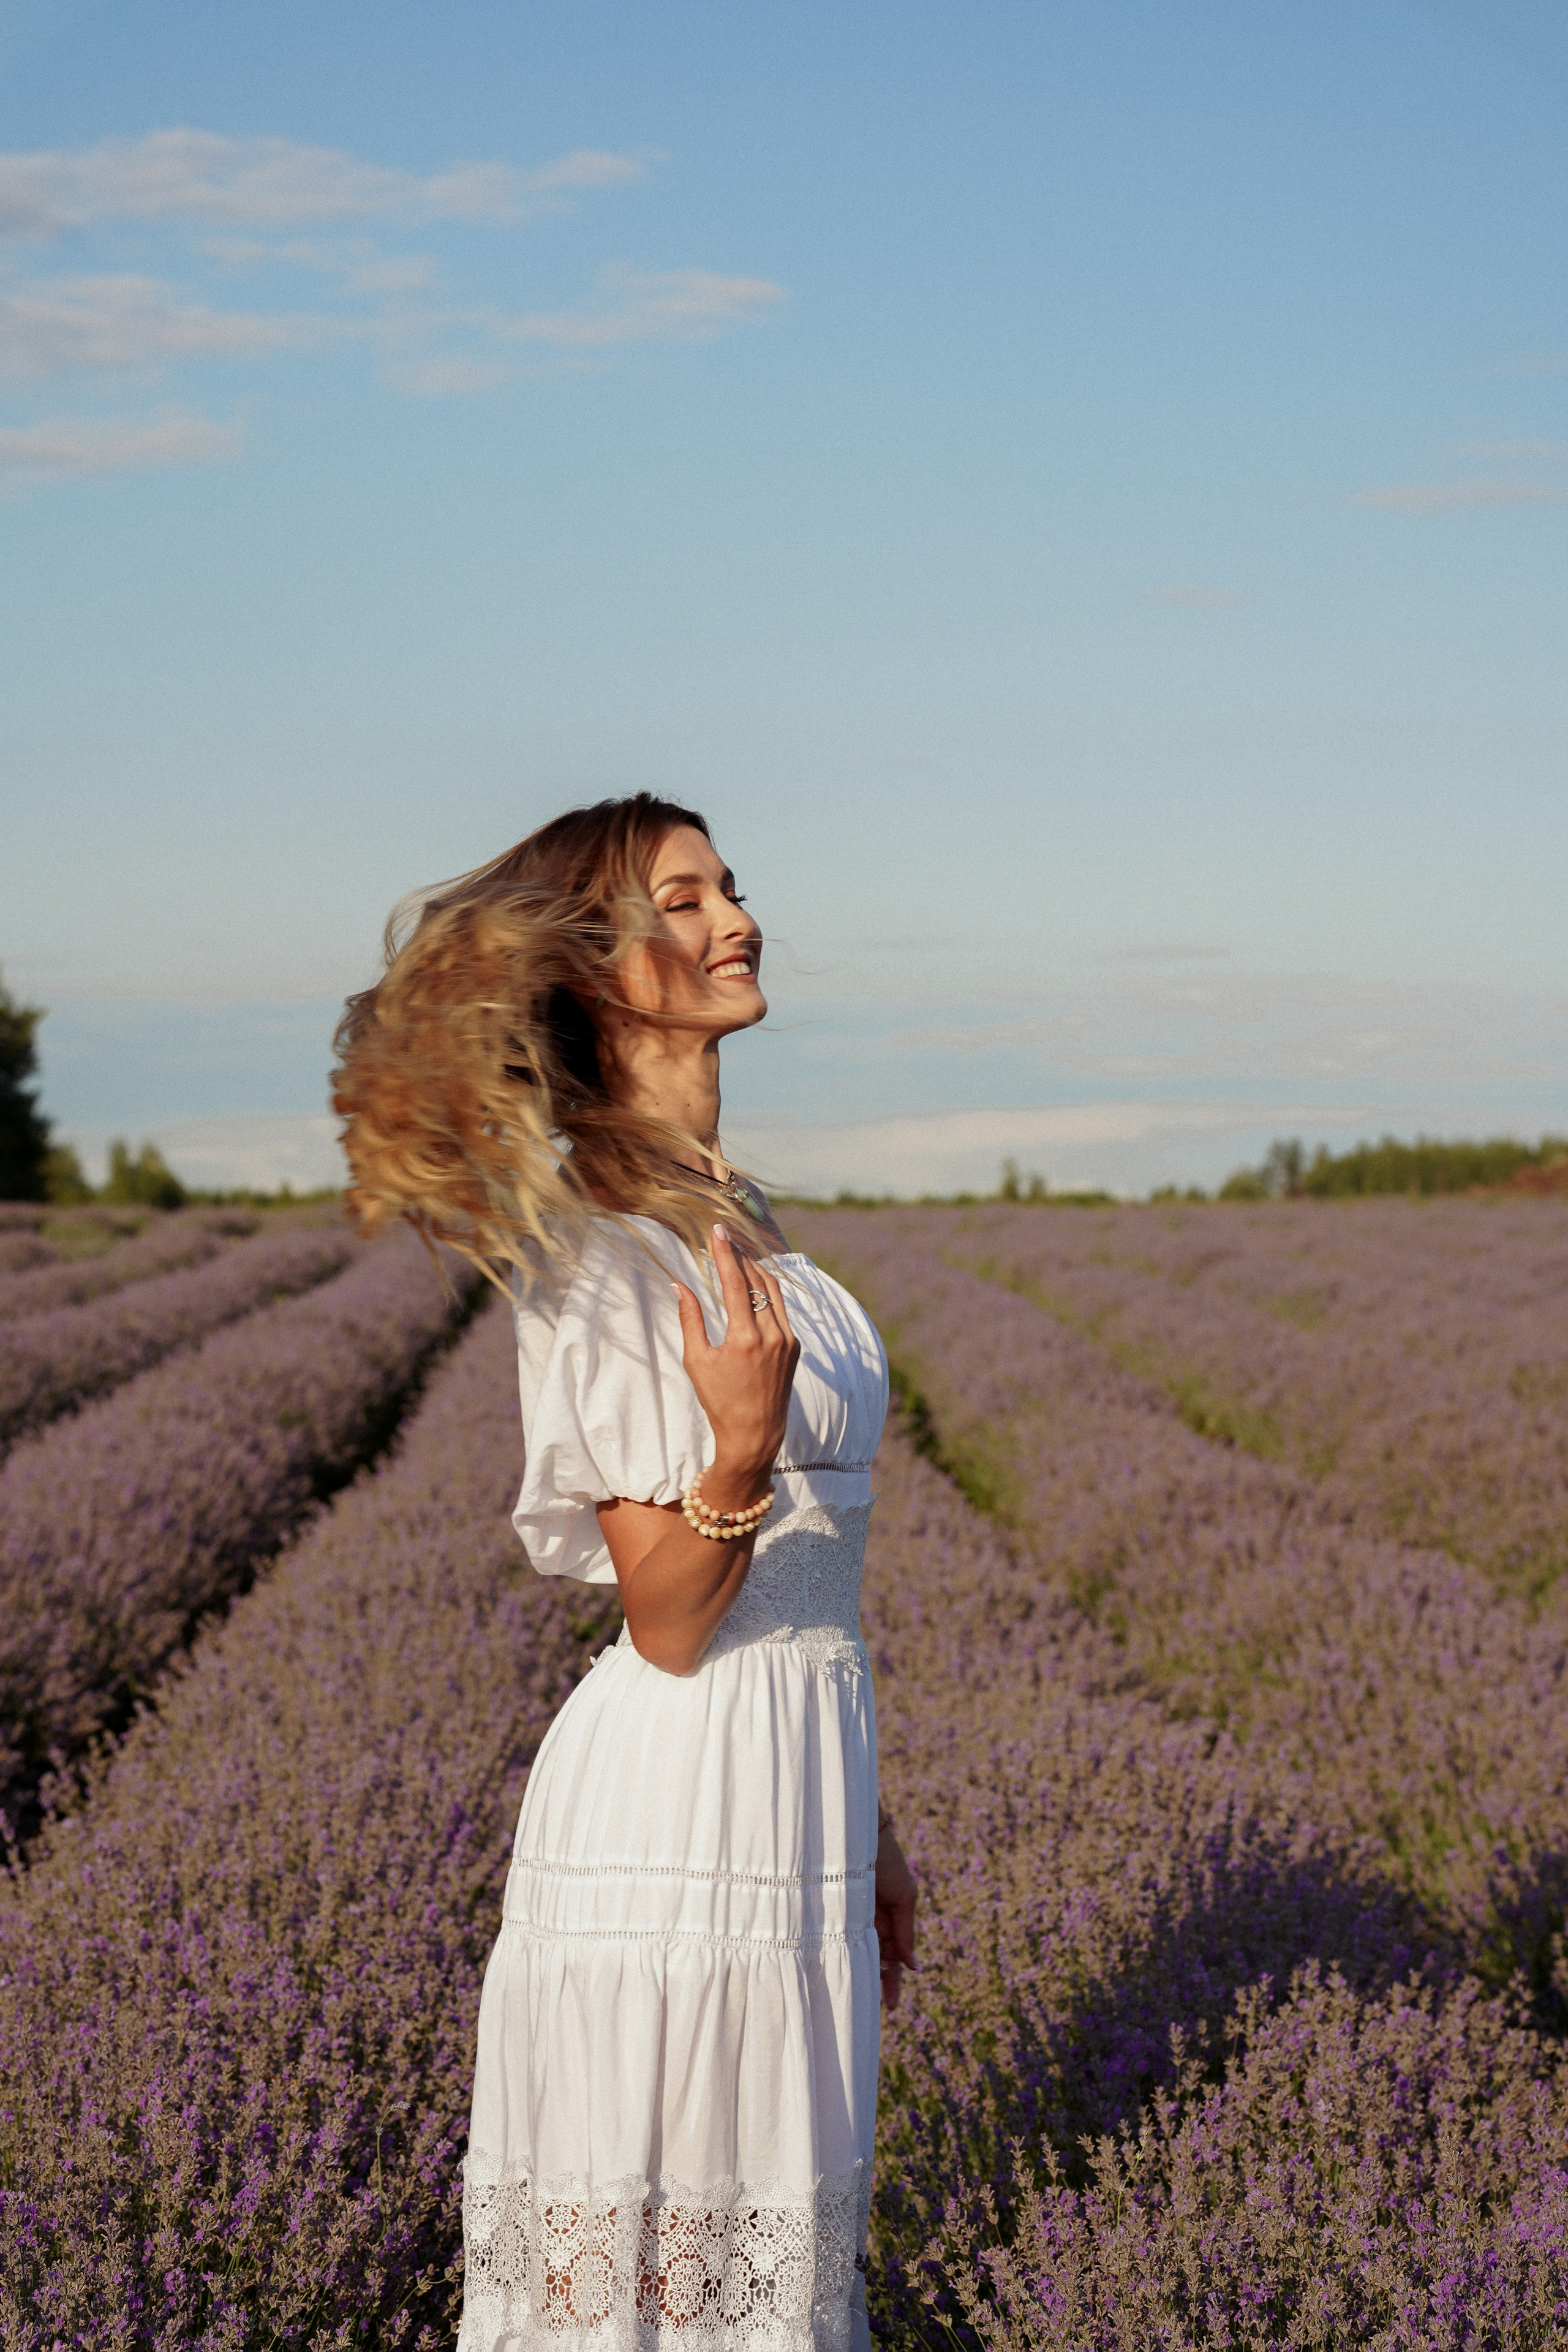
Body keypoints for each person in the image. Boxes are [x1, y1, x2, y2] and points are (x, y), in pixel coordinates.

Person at [332, 793, 917, 2351]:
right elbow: (663, 1618)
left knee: (763, 2272)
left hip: (792, 1772)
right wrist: (733, 1448)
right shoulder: (596, 1246)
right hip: (685, 1796)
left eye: (729, 887)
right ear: (596, 971)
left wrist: (869, 1823)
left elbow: (812, 1571)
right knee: (655, 2280)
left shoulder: (737, 1211)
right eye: (684, 900)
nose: (734, 920)